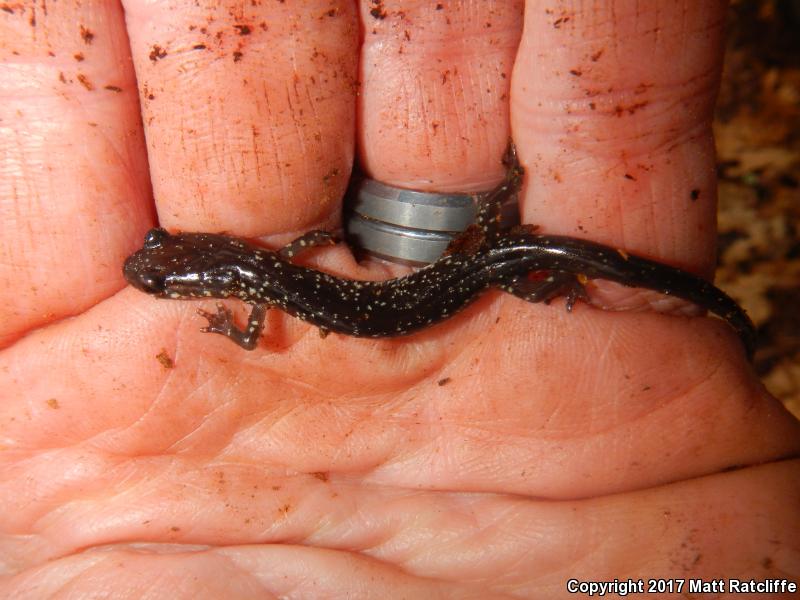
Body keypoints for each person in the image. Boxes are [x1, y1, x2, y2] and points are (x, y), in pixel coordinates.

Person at [1, 1, 798, 596]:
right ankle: (534, 240)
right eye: (161, 270)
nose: (156, 278)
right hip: (457, 283)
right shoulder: (263, 260)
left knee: (514, 257)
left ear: (209, 273)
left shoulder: (254, 293)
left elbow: (252, 337)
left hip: (457, 288)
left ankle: (546, 253)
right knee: (506, 254)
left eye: (163, 274)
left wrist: (224, 323)